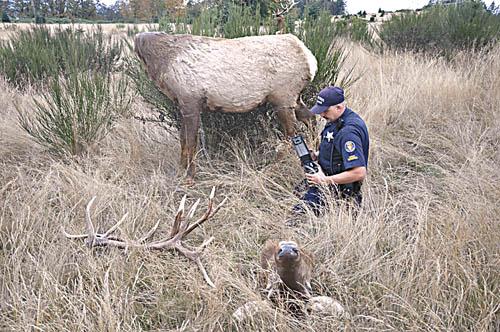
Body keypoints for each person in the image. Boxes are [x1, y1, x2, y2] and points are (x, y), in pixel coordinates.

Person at [293, 86, 369, 216]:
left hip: (337, 189)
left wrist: (323, 181)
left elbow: (359, 172)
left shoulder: (348, 132)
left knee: (299, 218)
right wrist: (317, 155)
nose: (322, 115)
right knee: (296, 195)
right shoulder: (336, 119)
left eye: (325, 111)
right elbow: (336, 148)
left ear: (338, 107)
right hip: (325, 180)